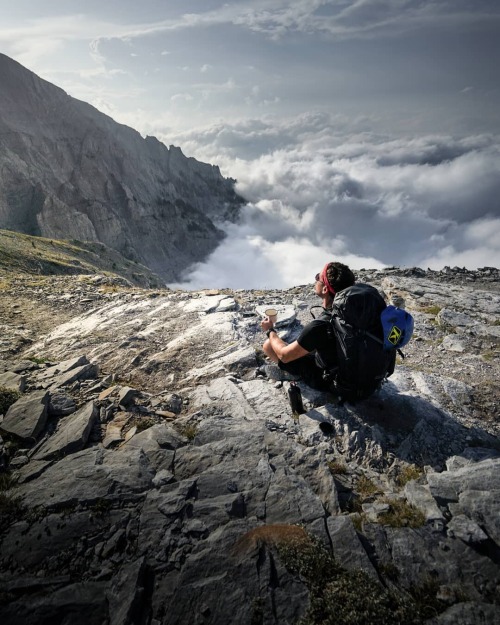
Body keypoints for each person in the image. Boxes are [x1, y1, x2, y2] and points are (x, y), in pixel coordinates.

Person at [260, 261, 355, 391]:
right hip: (366, 378)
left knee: (269, 345)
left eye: (318, 278)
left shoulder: (321, 325)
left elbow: (284, 355)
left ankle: (291, 375)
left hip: (334, 382)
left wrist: (270, 330)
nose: (315, 280)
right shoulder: (357, 310)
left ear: (325, 289)